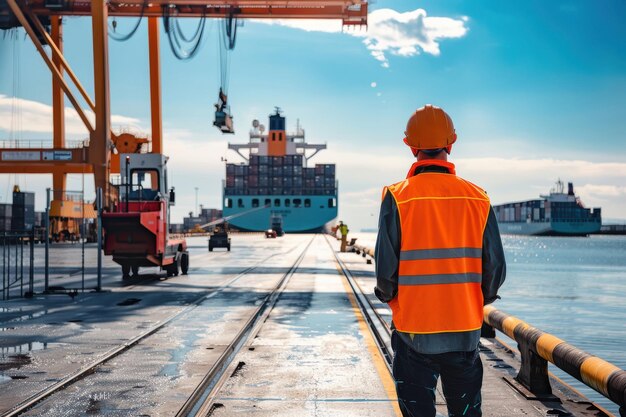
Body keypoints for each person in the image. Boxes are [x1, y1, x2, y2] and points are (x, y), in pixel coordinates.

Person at [374, 105, 506, 417]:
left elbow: (385, 272)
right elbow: (495, 268)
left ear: (411, 146)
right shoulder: (478, 197)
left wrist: (392, 298)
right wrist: (478, 300)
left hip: (413, 330)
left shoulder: (397, 196)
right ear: (451, 142)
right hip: (465, 330)